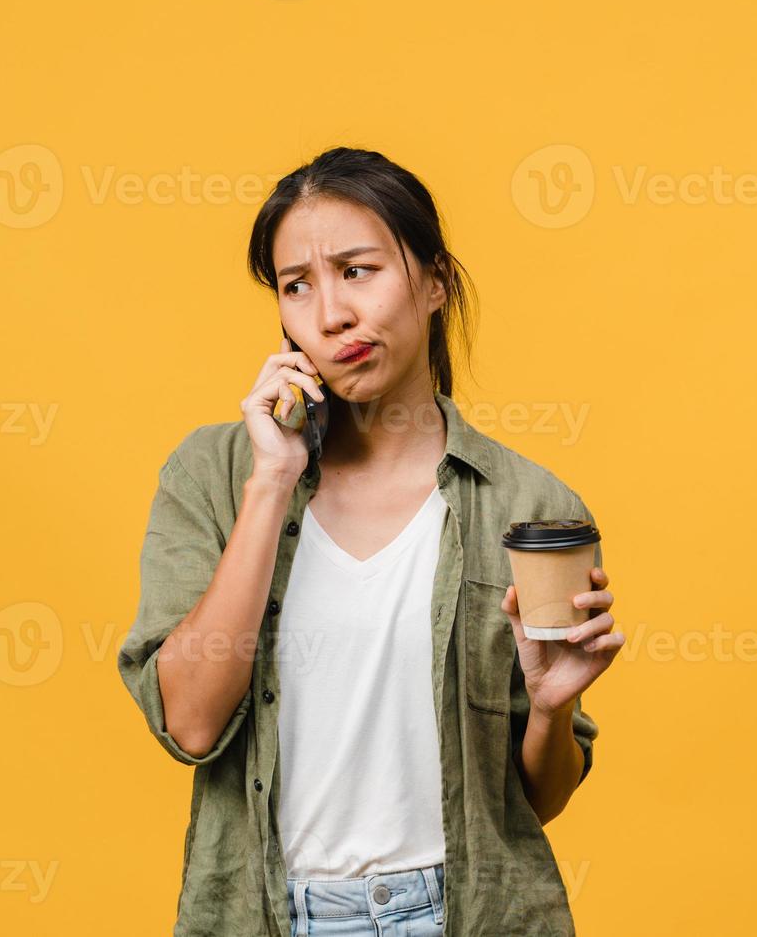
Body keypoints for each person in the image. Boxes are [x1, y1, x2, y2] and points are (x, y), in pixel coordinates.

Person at [117, 146, 623, 937]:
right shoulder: (212, 476)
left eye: (358, 270)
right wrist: (272, 479)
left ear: (433, 282)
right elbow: (190, 724)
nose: (331, 314)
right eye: (297, 286)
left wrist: (553, 710)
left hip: (470, 914)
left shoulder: (528, 506)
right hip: (271, 914)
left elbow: (540, 802)